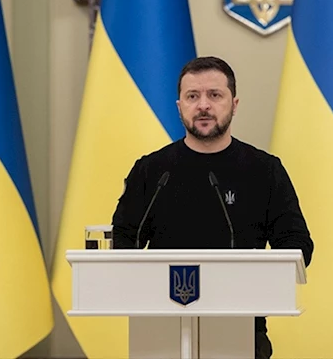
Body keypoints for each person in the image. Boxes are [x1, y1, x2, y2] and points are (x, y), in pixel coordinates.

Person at [112, 56, 314, 359]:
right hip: (159, 331)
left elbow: (297, 244)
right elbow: (123, 240)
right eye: (193, 96)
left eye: (214, 95)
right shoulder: (151, 171)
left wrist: (253, 279)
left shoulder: (264, 170)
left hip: (242, 330)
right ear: (179, 106)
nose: (203, 105)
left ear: (234, 104)